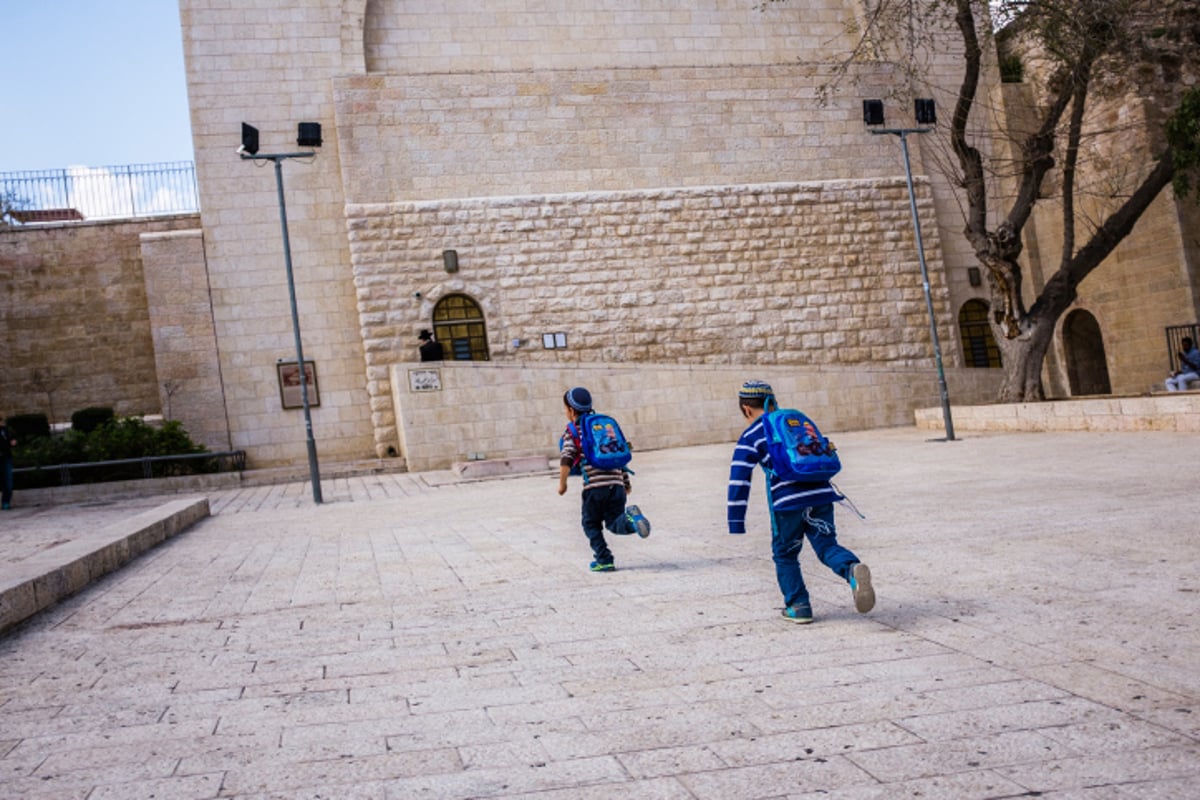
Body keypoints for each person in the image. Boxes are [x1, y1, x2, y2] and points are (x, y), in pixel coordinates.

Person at [727, 380, 874, 623]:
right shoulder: (794, 423)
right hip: (820, 493)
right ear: (772, 402)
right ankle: (851, 570)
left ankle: (798, 605)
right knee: (826, 545)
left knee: (785, 553)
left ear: (745, 409)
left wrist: (735, 521)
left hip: (787, 503)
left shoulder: (750, 435)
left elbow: (739, 480)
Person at [557, 386, 650, 571]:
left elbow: (567, 456)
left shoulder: (573, 431)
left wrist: (563, 483)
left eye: (565, 409)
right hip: (615, 485)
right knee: (615, 522)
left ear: (571, 410)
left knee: (590, 523)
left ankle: (604, 559)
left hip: (594, 487)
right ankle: (632, 521)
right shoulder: (603, 426)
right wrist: (625, 482)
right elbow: (617, 456)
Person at [0, 416, 16, 510]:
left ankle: (6, 502)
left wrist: (12, 442)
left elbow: (12, 439)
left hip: (6, 458)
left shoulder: (4, 430)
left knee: (8, 482)